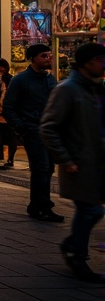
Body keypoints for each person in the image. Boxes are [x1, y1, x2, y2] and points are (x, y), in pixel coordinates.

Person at [39, 42, 105, 283]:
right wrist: (65, 159)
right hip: (78, 163)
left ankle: (73, 245)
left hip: (95, 162)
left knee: (90, 210)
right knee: (91, 210)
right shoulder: (68, 89)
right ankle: (77, 255)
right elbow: (48, 127)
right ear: (87, 62)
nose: (103, 65)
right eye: (99, 60)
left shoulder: (94, 89)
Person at [4, 42, 62, 222]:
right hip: (32, 129)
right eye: (43, 56)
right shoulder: (20, 80)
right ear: (33, 59)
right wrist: (22, 127)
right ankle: (41, 206)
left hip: (49, 129)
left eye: (49, 56)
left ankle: (39, 205)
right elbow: (8, 107)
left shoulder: (50, 79)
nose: (48, 59)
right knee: (41, 168)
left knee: (48, 168)